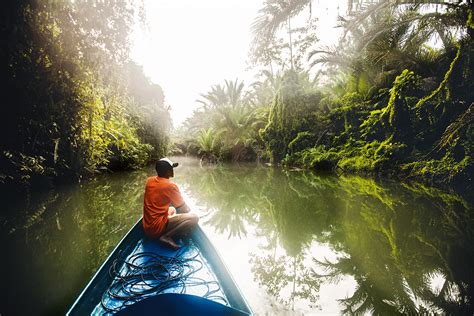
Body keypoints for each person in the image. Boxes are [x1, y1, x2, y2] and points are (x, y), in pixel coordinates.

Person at [143, 157, 199, 249]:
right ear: (167, 172)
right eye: (171, 168)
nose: (173, 170)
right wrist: (187, 208)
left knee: (172, 209)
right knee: (194, 218)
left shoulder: (149, 180)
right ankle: (166, 236)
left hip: (147, 226)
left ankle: (167, 226)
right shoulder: (170, 186)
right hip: (156, 229)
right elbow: (184, 210)